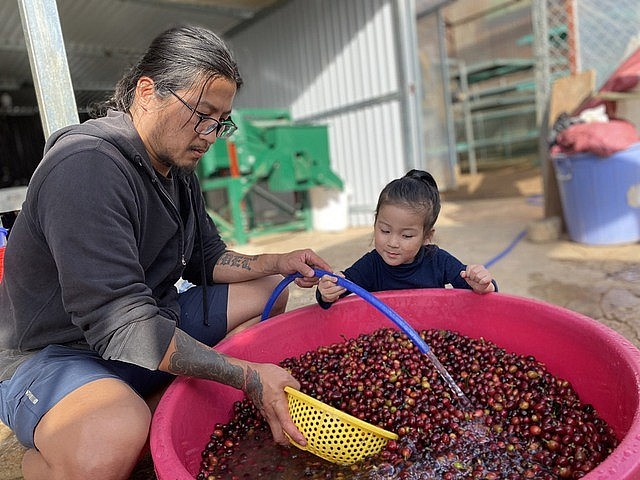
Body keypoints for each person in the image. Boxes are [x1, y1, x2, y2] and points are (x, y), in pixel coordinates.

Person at [0, 25, 331, 480]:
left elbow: (207, 258)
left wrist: (278, 262)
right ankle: (59, 452)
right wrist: (248, 375)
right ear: (147, 92)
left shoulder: (176, 170)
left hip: (148, 321)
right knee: (112, 438)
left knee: (270, 289)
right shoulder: (85, 167)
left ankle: (154, 402)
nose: (210, 134)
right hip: (55, 353)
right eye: (202, 114)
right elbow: (124, 325)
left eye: (220, 121)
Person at [317, 169, 496, 308]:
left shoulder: (438, 261)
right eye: (385, 231)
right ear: (375, 223)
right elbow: (336, 293)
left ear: (427, 236)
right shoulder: (371, 265)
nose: (393, 243)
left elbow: (480, 289)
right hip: (387, 339)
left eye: (406, 235)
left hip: (432, 336)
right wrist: (327, 292)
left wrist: (483, 284)